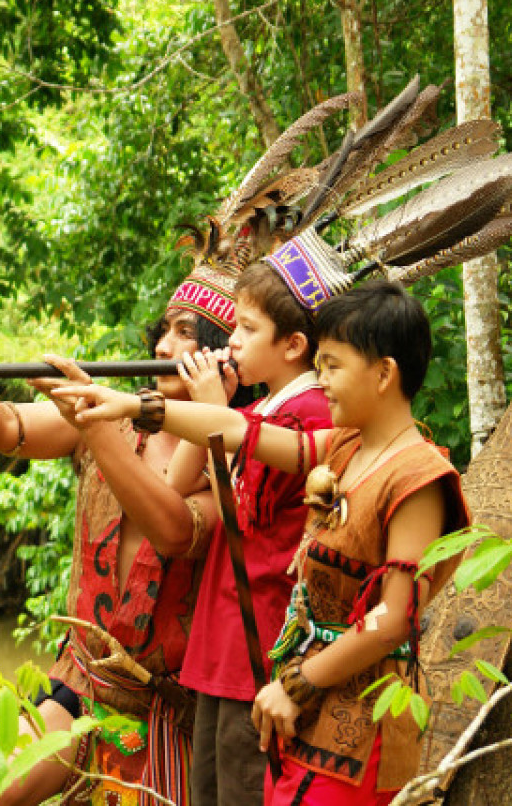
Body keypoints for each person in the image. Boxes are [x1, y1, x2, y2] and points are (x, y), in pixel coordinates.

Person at [52, 280, 471, 806]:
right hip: (301, 692)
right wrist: (124, 406)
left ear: (384, 373)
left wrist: (298, 682)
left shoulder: (419, 476)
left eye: (334, 366)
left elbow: (392, 619)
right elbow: (237, 430)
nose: (324, 381)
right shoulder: (342, 444)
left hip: (356, 715)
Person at [0, 271, 248, 806]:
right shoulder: (115, 411)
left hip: (171, 706)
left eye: (186, 334)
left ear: (225, 355)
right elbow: (8, 425)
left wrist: (95, 422)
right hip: (85, 674)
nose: (164, 346)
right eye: (164, 330)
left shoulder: (238, 448)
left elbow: (172, 529)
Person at [161, 261, 332, 806]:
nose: (232, 341)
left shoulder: (309, 412)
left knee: (244, 791)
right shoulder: (258, 409)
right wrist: (212, 407)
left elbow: (237, 512)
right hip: (224, 642)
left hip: (260, 645)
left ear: (294, 345)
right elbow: (175, 481)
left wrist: (215, 411)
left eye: (247, 329)